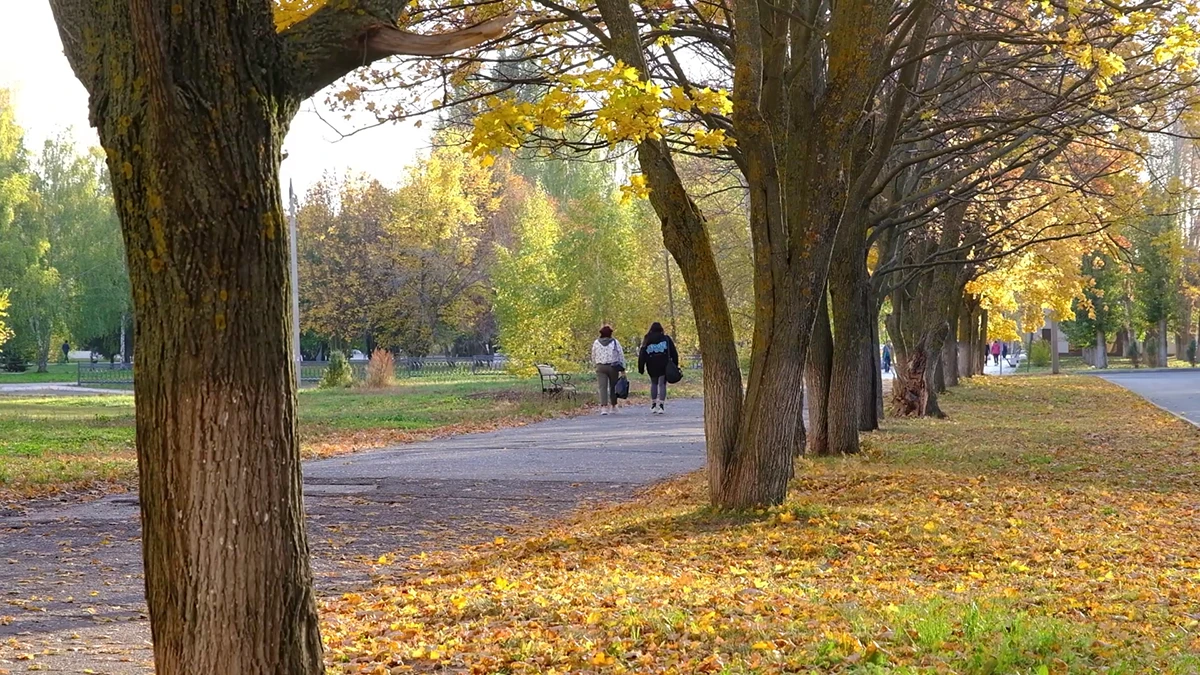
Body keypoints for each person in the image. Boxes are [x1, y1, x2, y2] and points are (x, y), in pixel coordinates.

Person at [638, 321, 679, 415]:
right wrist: (675, 364)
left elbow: (642, 353)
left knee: (653, 383)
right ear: (661, 329)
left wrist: (641, 367)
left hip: (651, 364)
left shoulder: (647, 339)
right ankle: (661, 405)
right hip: (663, 364)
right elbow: (673, 352)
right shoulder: (666, 338)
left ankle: (653, 404)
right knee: (662, 384)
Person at [591, 325, 626, 415]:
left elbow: (593, 355)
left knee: (602, 387)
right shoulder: (614, 342)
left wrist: (595, 364)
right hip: (613, 366)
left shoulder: (596, 342)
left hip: (600, 366)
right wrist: (622, 368)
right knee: (613, 386)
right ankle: (614, 406)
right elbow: (620, 355)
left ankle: (604, 407)